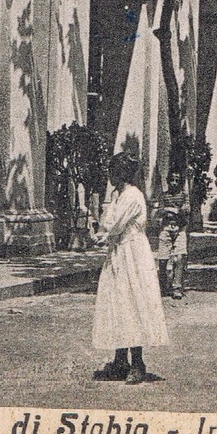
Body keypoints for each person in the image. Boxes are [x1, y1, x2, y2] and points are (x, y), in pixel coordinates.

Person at [91, 153, 169, 385]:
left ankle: (137, 362)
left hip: (133, 254)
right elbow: (107, 222)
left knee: (133, 302)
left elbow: (114, 225)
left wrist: (102, 234)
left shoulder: (133, 196)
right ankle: (119, 359)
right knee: (117, 302)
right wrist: (102, 231)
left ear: (121, 173)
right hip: (118, 252)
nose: (109, 176)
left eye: (112, 171)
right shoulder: (117, 194)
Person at [155, 186, 188, 299]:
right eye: (172, 180)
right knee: (163, 260)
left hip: (180, 228)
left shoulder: (184, 195)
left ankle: (177, 287)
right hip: (166, 228)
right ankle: (163, 286)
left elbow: (186, 210)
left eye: (177, 180)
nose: (174, 183)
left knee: (179, 257)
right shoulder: (164, 195)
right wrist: (174, 210)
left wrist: (168, 209)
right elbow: (159, 211)